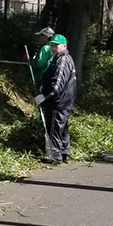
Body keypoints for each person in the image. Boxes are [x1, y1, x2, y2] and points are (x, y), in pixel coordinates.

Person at [36, 34, 77, 163]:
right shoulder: (59, 58)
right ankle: (64, 153)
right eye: (52, 45)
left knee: (53, 128)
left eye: (56, 45)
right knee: (62, 128)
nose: (53, 48)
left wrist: (45, 97)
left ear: (64, 46)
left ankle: (54, 156)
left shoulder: (62, 61)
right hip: (65, 101)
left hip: (58, 102)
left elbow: (57, 85)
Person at [31, 28, 55, 92]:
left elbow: (39, 63)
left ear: (46, 37)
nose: (39, 38)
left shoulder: (45, 48)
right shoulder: (53, 48)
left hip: (43, 77)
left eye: (41, 35)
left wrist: (29, 60)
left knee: (40, 96)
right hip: (50, 77)